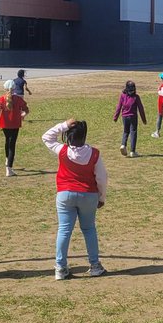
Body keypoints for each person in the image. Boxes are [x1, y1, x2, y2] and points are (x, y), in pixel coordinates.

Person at [42, 118, 107, 280]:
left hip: (65, 194)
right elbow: (102, 178)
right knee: (89, 229)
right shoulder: (94, 153)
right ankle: (95, 265)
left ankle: (60, 267)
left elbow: (47, 137)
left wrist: (63, 125)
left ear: (68, 136)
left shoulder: (62, 150)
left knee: (64, 230)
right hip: (88, 195)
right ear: (84, 136)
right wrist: (102, 197)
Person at [0, 81, 29, 176]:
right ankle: (9, 168)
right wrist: (23, 115)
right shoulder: (18, 99)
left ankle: (7, 160)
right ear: (14, 88)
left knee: (7, 142)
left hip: (5, 125)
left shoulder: (2, 99)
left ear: (5, 88)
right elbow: (26, 109)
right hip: (15, 125)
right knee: (12, 146)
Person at [113, 80, 147, 157]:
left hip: (124, 117)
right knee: (133, 132)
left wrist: (115, 117)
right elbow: (141, 109)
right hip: (133, 117)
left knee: (125, 131)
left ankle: (123, 145)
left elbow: (119, 107)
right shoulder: (136, 97)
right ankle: (132, 151)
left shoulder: (122, 96)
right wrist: (144, 119)